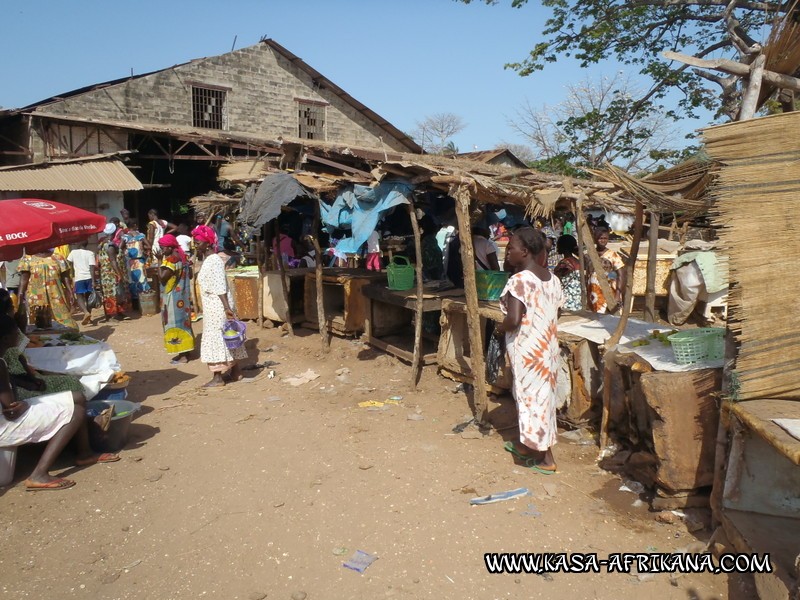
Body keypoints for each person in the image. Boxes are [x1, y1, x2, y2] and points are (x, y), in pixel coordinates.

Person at [0, 314, 119, 490]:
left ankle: (84, 453)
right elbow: (12, 411)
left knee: (77, 397)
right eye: (15, 333)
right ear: (5, 339)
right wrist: (25, 404)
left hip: (6, 417)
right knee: (76, 412)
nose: (19, 336)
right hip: (5, 426)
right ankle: (38, 474)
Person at [495, 228, 563, 474]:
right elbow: (556, 311)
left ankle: (547, 458)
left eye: (510, 248)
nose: (507, 252)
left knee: (533, 401)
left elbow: (513, 320)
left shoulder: (520, 280)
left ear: (524, 252)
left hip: (529, 352)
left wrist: (498, 330)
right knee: (539, 400)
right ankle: (527, 445)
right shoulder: (552, 279)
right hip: (548, 351)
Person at [192, 226, 246, 387]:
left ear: (207, 243)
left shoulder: (213, 261)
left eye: (198, 241)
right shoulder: (210, 260)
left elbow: (220, 286)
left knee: (216, 338)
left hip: (217, 307)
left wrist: (226, 308)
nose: (195, 244)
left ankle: (217, 377)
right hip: (215, 305)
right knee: (227, 337)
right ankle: (236, 372)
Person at [157, 235, 194, 365]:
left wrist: (158, 261)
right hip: (182, 297)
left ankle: (183, 356)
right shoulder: (183, 258)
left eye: (162, 248)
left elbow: (162, 278)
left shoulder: (171, 260)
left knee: (174, 324)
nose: (161, 251)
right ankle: (186, 352)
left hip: (172, 299)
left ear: (169, 247)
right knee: (184, 323)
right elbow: (190, 275)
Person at [17, 251, 76, 330]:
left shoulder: (58, 258)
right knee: (39, 329)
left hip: (57, 298)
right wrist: (20, 295)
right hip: (36, 300)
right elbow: (24, 279)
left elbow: (65, 277)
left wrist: (71, 292)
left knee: (68, 325)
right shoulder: (27, 259)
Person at [97, 223, 131, 321]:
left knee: (116, 293)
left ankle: (119, 312)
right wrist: (119, 274)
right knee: (113, 293)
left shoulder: (101, 243)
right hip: (111, 274)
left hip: (105, 273)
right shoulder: (110, 245)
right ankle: (112, 315)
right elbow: (113, 261)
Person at [587, 227, 625, 313]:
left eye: (605, 238)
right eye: (600, 238)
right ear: (595, 239)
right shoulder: (590, 254)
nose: (603, 241)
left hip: (608, 293)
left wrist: (618, 295)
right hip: (593, 293)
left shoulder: (612, 255)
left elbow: (621, 275)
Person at [67, 242, 97, 325]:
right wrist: (93, 281)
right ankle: (89, 315)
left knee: (79, 296)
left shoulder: (73, 252)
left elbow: (68, 263)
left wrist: (71, 275)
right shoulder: (90, 253)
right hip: (89, 278)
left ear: (78, 244)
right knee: (88, 297)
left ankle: (85, 312)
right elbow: (92, 268)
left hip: (79, 278)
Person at [120, 222, 151, 301]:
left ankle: (135, 300)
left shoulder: (125, 237)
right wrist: (140, 246)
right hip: (140, 260)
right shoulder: (140, 236)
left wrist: (127, 249)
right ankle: (144, 297)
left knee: (131, 279)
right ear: (135, 225)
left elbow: (120, 247)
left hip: (129, 262)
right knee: (142, 278)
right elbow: (149, 246)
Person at [554, 235, 583, 311]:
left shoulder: (564, 264)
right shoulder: (579, 262)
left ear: (563, 247)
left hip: (567, 301)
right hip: (578, 300)